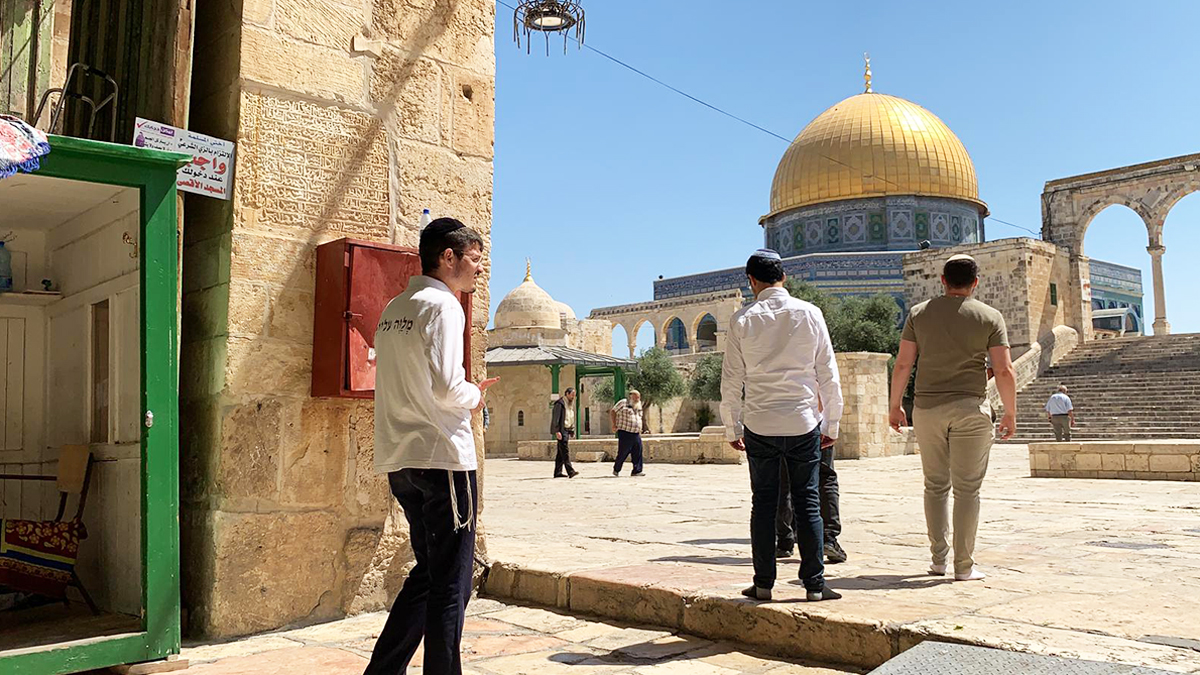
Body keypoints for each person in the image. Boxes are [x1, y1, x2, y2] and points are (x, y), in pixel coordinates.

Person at [366, 217, 499, 675]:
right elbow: (447, 388)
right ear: (448, 257)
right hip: (443, 458)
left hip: (402, 458)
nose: (479, 269)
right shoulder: (444, 306)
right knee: (451, 585)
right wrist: (476, 394)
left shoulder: (394, 308)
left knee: (427, 574)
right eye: (474, 259)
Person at [720, 248, 843, 603]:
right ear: (784, 277)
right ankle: (814, 585)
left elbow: (731, 380)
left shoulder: (742, 320)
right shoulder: (810, 313)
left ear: (751, 281)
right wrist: (831, 422)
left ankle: (763, 584)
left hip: (760, 423)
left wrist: (732, 427)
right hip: (803, 422)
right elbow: (827, 373)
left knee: (764, 503)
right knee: (808, 502)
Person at [888, 253, 1016, 583]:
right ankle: (964, 566)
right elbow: (1003, 369)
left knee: (935, 486)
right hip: (970, 409)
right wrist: (1010, 412)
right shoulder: (990, 317)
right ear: (976, 283)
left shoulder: (919, 314)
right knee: (967, 490)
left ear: (943, 281)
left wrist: (895, 404)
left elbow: (903, 364)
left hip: (927, 409)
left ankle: (938, 560)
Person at [775, 404, 845, 565]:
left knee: (783, 479)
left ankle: (784, 540)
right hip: (811, 419)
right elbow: (829, 392)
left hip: (777, 422)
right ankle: (828, 537)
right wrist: (831, 426)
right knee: (825, 477)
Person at [610, 390, 645, 477]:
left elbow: (639, 417)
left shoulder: (639, 405)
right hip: (625, 432)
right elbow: (613, 411)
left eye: (638, 397)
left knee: (638, 451)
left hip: (636, 433)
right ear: (631, 396)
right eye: (636, 397)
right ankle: (616, 469)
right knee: (623, 452)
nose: (637, 399)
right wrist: (614, 424)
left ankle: (637, 470)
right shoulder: (623, 403)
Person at [551, 388, 580, 478]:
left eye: (574, 395)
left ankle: (557, 472)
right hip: (561, 430)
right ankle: (570, 471)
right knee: (565, 451)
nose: (573, 397)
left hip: (567, 430)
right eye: (572, 395)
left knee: (560, 453)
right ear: (567, 394)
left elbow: (569, 417)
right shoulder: (560, 404)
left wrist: (572, 430)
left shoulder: (570, 404)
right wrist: (557, 431)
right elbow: (556, 418)